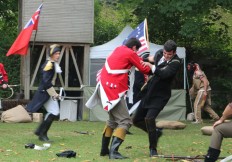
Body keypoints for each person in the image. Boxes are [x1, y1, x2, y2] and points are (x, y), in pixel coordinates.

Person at [85, 38, 153, 159]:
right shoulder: (130, 53)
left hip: (104, 87)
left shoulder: (118, 49)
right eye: (136, 51)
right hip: (113, 90)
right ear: (134, 48)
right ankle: (113, 152)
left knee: (112, 121)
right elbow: (143, 68)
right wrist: (153, 68)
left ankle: (104, 150)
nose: (136, 53)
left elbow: (134, 60)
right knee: (125, 121)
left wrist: (146, 59)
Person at [132, 40, 181, 157]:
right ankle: (156, 133)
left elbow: (164, 74)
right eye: (165, 53)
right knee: (136, 120)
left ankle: (153, 149)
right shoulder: (159, 53)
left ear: (174, 53)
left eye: (169, 54)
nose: (166, 56)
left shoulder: (176, 62)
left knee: (149, 118)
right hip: (149, 92)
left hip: (161, 95)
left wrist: (152, 67)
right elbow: (149, 59)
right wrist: (135, 60)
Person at [26, 44, 62, 142]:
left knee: (54, 112)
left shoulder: (52, 63)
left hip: (47, 92)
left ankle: (40, 132)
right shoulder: (49, 64)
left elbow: (50, 80)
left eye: (59, 53)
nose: (58, 55)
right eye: (56, 53)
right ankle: (41, 133)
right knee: (54, 112)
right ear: (51, 54)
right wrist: (54, 94)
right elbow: (46, 82)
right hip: (45, 92)